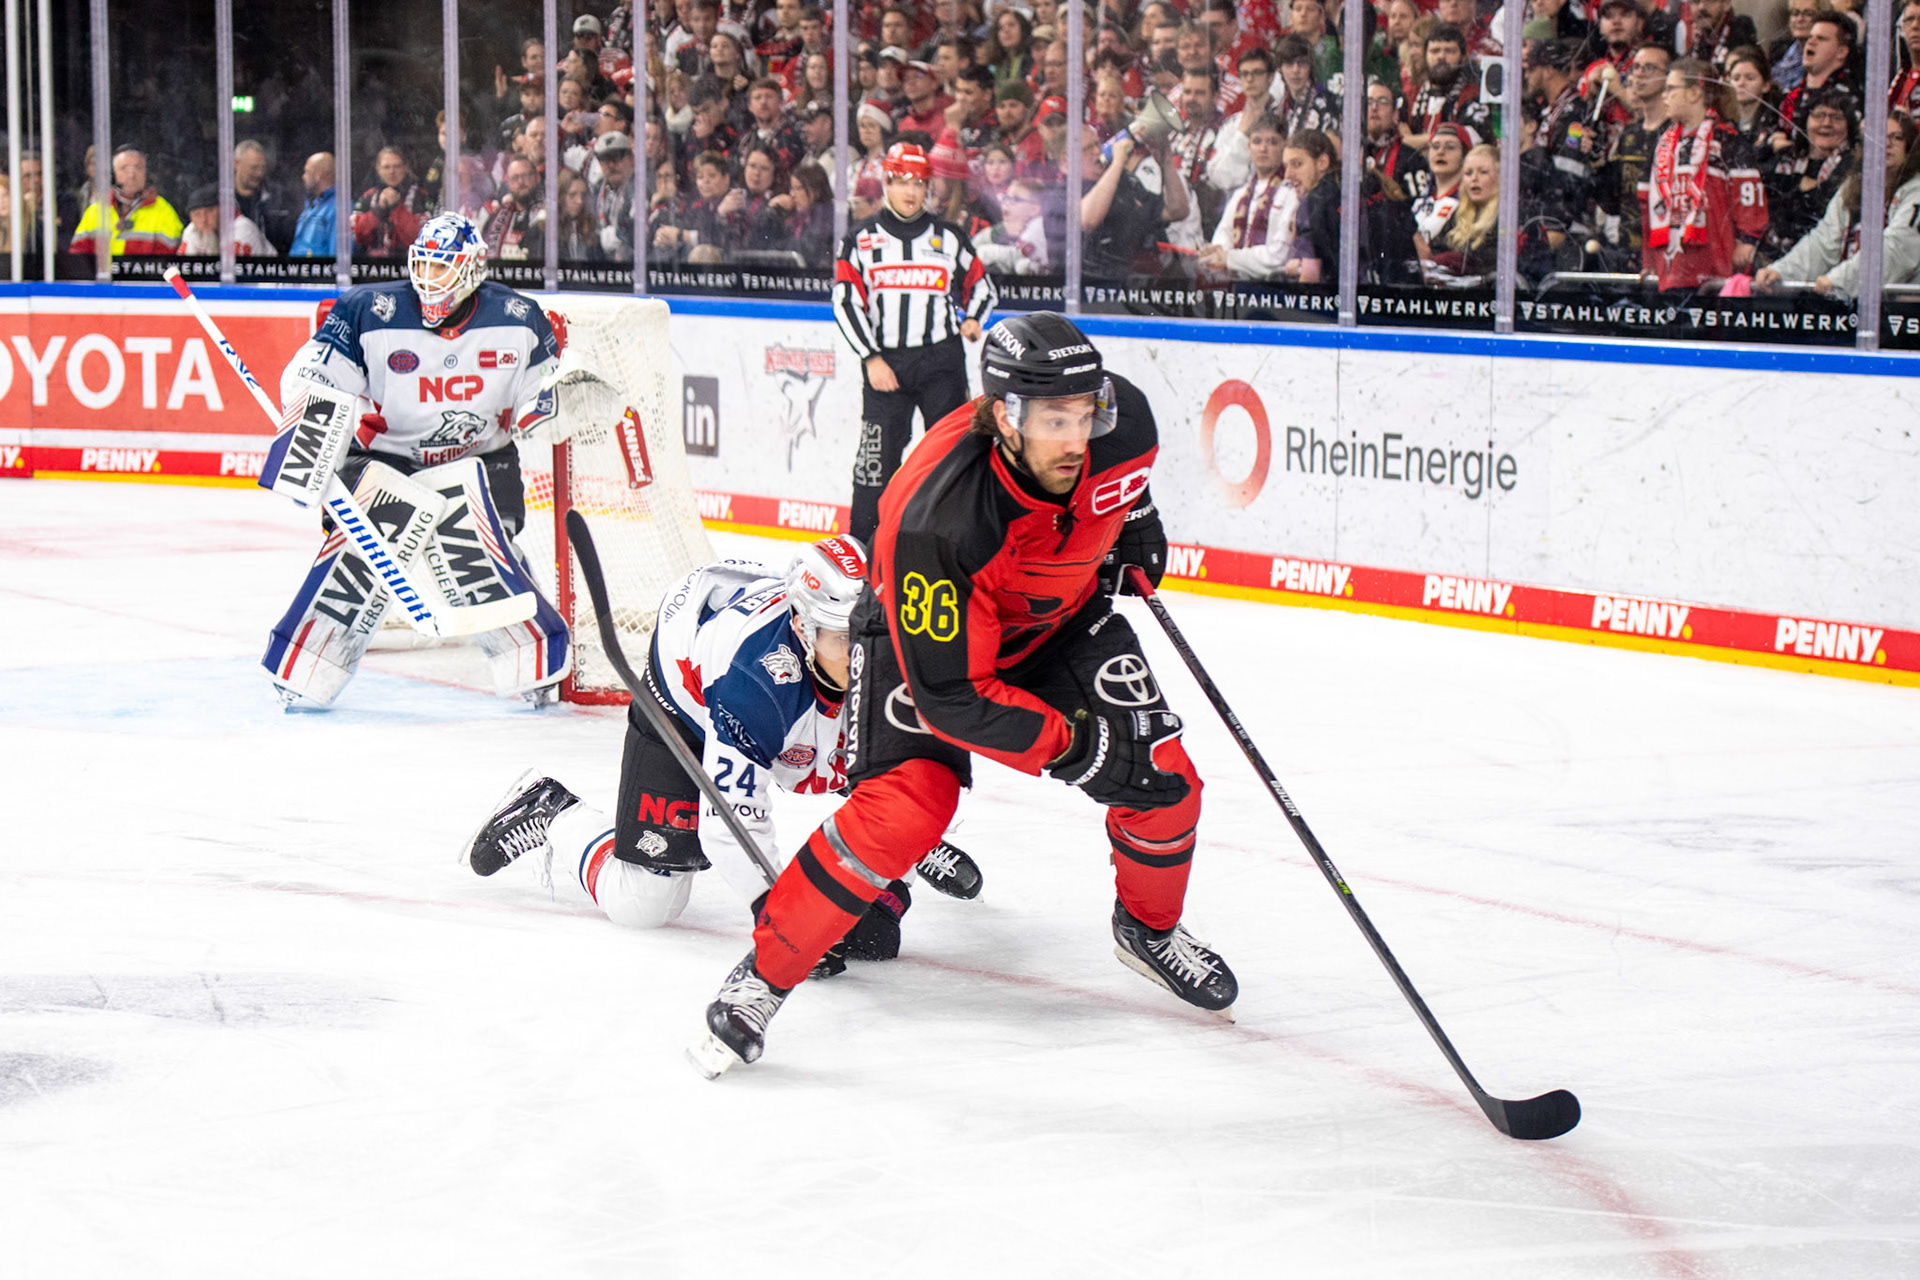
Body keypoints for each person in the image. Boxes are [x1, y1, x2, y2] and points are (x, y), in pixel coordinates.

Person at [689, 313, 1234, 1077]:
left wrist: (1136, 516)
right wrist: (1075, 747)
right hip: (929, 653)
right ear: (1002, 416)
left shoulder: (1123, 421)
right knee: (905, 811)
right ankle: (762, 978)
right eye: (1054, 422)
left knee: (1166, 782)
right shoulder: (934, 521)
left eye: (1086, 416)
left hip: (1062, 626)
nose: (1077, 441)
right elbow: (952, 696)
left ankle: (1149, 928)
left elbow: (1125, 482)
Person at [461, 536, 983, 952]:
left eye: (870, 632)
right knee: (644, 902)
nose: (861, 655)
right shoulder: (755, 684)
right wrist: (782, 918)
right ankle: (553, 810)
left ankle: (914, 853)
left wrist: (902, 850)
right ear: (802, 627)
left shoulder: (898, 650)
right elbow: (734, 823)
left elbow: (929, 769)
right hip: (687, 696)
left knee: (875, 927)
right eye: (841, 638)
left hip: (785, 695)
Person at [264, 213, 569, 708]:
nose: (430, 281)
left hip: (483, 460)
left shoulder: (517, 316)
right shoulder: (368, 309)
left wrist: (555, 405)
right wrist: (310, 423)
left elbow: (544, 395)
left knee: (475, 549)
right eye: (423, 266)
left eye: (443, 269)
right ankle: (308, 665)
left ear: (472, 270)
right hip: (384, 461)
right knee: (359, 558)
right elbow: (317, 377)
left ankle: (530, 660)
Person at [832, 141, 997, 546]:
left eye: (918, 183)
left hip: (942, 360)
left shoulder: (950, 237)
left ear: (928, 187)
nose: (910, 191)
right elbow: (844, 301)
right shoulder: (861, 240)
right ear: (885, 183)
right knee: (874, 465)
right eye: (901, 181)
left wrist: (974, 317)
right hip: (885, 363)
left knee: (957, 454)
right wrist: (870, 358)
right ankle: (863, 553)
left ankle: (956, 543)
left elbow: (981, 286)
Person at [1758, 109, 1920, 297]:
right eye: (1879, 137)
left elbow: (1897, 250)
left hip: (1902, 308)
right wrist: (1781, 271)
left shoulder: (1916, 190)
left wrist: (1840, 281)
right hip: (1854, 302)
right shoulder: (1854, 186)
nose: (1887, 144)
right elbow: (1824, 241)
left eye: (1897, 137)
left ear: (1910, 146)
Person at [1639, 58, 1768, 290]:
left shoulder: (1727, 139)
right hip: (1670, 265)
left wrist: (1748, 240)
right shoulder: (1662, 145)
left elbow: (1748, 195)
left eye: (1670, 89)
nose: (1663, 96)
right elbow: (1646, 206)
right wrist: (1648, 259)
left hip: (1715, 265)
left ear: (1694, 93)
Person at [1591, 43, 1673, 268]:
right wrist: (1596, 165)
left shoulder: (1676, 133)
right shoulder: (1629, 133)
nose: (1640, 74)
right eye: (1636, 67)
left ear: (1668, 78)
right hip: (1629, 251)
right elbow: (1612, 201)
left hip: (1666, 252)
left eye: (1649, 68)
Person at [1081, 125, 1190, 281]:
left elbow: (1177, 211)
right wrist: (1117, 163)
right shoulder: (1063, 189)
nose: (1097, 152)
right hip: (1100, 288)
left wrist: (1165, 161)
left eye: (1097, 144)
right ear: (1066, 160)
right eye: (1087, 149)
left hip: (1143, 282)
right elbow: (1087, 220)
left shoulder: (1123, 181)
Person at [1200, 112, 1301, 279]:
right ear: (1249, 147)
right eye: (1257, 141)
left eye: (1272, 142)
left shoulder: (1292, 193)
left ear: (1284, 147)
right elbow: (1223, 234)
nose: (1263, 149)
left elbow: (1278, 256)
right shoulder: (1241, 193)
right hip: (1235, 282)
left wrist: (1229, 258)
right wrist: (1216, 252)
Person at [1761, 90, 1856, 262]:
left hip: (1822, 258)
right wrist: (1799, 183)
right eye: (1819, 115)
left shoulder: (1851, 163)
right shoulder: (1788, 156)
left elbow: (1822, 203)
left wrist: (1787, 188)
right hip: (1774, 254)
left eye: (1837, 118)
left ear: (1849, 126)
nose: (1826, 123)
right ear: (1805, 121)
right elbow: (1764, 192)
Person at [68, 145, 183, 259]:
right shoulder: (95, 211)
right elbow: (78, 262)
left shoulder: (164, 212)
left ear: (146, 174)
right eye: (124, 168)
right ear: (113, 174)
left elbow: (169, 266)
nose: (131, 175)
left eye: (138, 168)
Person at [1420, 141, 1501, 282]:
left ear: (1501, 177)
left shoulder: (1508, 216)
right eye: (1468, 173)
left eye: (1483, 172)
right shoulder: (1459, 214)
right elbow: (1435, 251)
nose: (1474, 179)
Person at [1403, 25, 1491, 153]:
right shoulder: (1411, 97)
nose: (1441, 57)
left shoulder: (1474, 96)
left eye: (1449, 51)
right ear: (1425, 56)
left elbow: (1473, 138)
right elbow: (1399, 142)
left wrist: (1415, 141)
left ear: (1463, 57)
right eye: (1435, 51)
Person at [1280, 128, 1341, 283]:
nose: (1288, 175)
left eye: (1297, 164)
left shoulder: (1311, 203)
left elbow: (1310, 280)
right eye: (1286, 165)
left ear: (1322, 162)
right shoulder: (1345, 191)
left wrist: (1303, 269)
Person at [352, 147, 430, 258]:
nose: (392, 172)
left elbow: (419, 237)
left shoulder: (421, 196)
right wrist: (379, 209)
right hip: (374, 267)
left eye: (397, 166)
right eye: (386, 167)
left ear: (405, 168)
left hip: (409, 266)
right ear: (378, 170)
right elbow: (359, 236)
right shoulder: (368, 197)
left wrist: (397, 207)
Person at [973, 177, 1052, 274]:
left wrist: (982, 252)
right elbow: (974, 243)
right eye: (1006, 198)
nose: (1007, 204)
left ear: (1034, 209)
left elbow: (1015, 256)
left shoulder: (1037, 227)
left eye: (1015, 199)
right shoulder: (1016, 224)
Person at [1411, 120, 1469, 243]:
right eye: (1435, 146)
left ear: (1465, 156)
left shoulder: (1467, 201)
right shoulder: (1419, 198)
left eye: (1450, 147)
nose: (1441, 152)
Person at [178, 185, 276, 257]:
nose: (204, 219)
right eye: (197, 215)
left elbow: (233, 274)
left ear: (223, 210)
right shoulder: (191, 230)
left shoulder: (243, 228)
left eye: (209, 211)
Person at [479, 157, 545, 262]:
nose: (520, 182)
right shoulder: (496, 217)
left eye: (525, 176)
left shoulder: (547, 214)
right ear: (508, 183)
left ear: (537, 177)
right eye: (514, 178)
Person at [1678, 0, 1757, 71]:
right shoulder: (1699, 44)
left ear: (1726, 3)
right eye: (1695, 1)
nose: (1701, 7)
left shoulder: (1741, 33)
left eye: (1708, 1)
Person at [287, 152, 338, 258]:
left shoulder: (338, 209)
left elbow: (337, 257)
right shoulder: (312, 205)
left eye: (307, 172)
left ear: (318, 175)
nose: (303, 177)